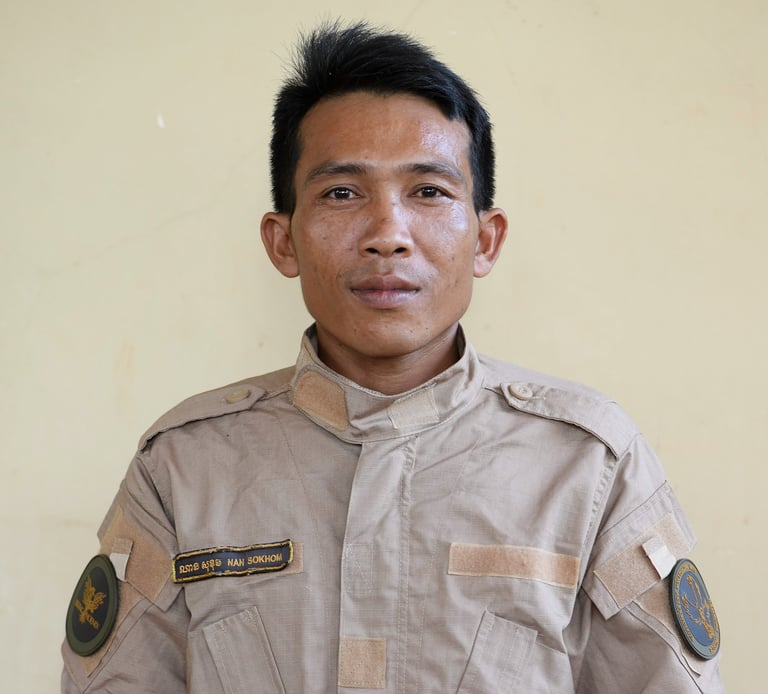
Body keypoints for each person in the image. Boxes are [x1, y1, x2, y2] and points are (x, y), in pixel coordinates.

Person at [61, 21, 723, 693]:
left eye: (429, 191)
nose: (388, 235)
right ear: (284, 241)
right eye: (342, 193)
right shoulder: (183, 466)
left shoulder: (588, 464)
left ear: (485, 240)